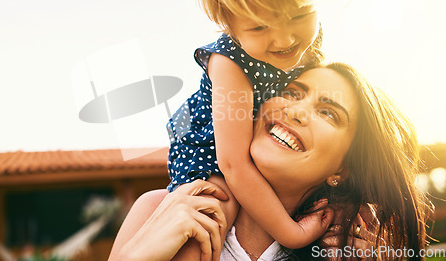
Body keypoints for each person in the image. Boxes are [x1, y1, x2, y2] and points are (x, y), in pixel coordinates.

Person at [110, 63, 430, 261]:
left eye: (328, 112)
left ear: (341, 170)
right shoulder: (158, 209)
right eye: (292, 92)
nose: (294, 110)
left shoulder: (346, 253)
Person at [166, 0, 338, 256]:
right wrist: (292, 232)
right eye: (260, 26)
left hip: (266, 145)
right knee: (210, 215)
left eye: (300, 14)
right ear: (227, 21)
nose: (286, 39)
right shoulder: (229, 61)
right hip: (211, 151)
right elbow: (233, 165)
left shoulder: (312, 45)